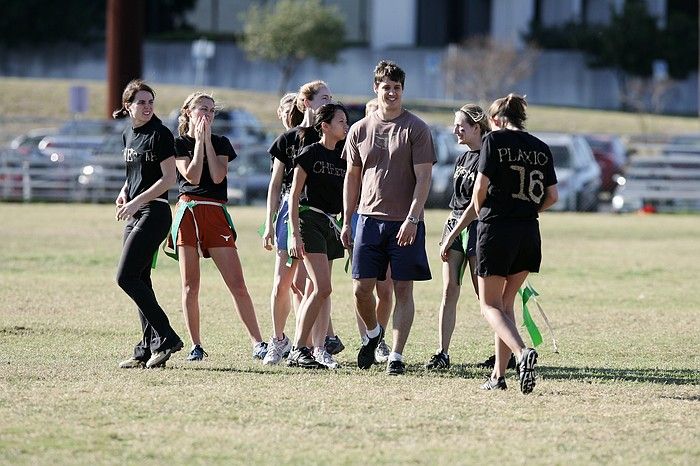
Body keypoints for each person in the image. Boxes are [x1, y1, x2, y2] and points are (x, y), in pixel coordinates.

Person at [341, 60, 436, 375]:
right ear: (376, 89)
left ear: (402, 90)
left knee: (403, 289)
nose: (392, 92)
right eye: (386, 87)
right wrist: (346, 219)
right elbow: (352, 178)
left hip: (404, 222)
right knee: (360, 289)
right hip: (368, 220)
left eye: (397, 87)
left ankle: (396, 355)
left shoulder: (416, 128)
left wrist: (413, 218)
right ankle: (372, 335)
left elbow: (424, 178)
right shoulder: (359, 129)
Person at [170, 91, 266, 361]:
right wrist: (198, 142)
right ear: (188, 111)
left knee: (237, 283)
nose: (208, 115)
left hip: (214, 211)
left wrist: (207, 142)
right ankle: (196, 345)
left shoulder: (222, 142)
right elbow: (191, 174)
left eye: (211, 110)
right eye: (202, 109)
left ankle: (258, 342)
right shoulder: (178, 144)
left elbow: (216, 174)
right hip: (188, 211)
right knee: (190, 285)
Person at [474, 93, 558, 393]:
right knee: (506, 305)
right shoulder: (541, 147)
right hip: (528, 233)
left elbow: (480, 188)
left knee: (489, 305)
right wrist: (526, 211)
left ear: (496, 120)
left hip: (497, 228)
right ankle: (498, 376)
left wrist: (480, 213)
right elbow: (552, 196)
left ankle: (523, 354)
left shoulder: (492, 141)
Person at [261, 80, 338, 365]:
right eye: (324, 97)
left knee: (313, 285)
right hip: (288, 214)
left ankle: (314, 347)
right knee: (283, 282)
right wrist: (269, 224)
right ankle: (279, 341)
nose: (329, 102)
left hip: (318, 217)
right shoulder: (289, 139)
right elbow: (275, 184)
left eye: (331, 97)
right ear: (307, 102)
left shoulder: (331, 138)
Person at [114, 79, 183, 369]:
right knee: (140, 280)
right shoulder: (129, 134)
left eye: (150, 101)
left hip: (154, 213)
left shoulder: (161, 134)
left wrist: (135, 202)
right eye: (141, 102)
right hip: (135, 212)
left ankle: (167, 336)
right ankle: (147, 349)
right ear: (128, 106)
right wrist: (124, 192)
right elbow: (135, 173)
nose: (147, 107)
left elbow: (169, 179)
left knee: (125, 277)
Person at [424, 104, 490, 370]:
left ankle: (504, 351)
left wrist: (453, 234)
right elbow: (459, 202)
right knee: (449, 291)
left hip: (474, 228)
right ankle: (442, 353)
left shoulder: (488, 157)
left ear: (477, 127)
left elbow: (476, 206)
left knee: (485, 297)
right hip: (454, 224)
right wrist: (449, 232)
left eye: (461, 126)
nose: (455, 131)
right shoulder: (462, 158)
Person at [287, 103, 349, 369]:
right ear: (324, 126)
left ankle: (318, 348)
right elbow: (293, 196)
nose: (346, 126)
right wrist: (293, 234)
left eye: (347, 122)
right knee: (323, 286)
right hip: (309, 220)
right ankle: (298, 348)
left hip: (332, 224)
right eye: (341, 122)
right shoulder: (310, 153)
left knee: (319, 290)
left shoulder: (346, 156)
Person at [351, 97, 392, 364]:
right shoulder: (358, 139)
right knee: (361, 286)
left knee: (386, 288)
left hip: (390, 218)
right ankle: (367, 337)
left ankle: (380, 338)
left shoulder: (393, 143)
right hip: (361, 219)